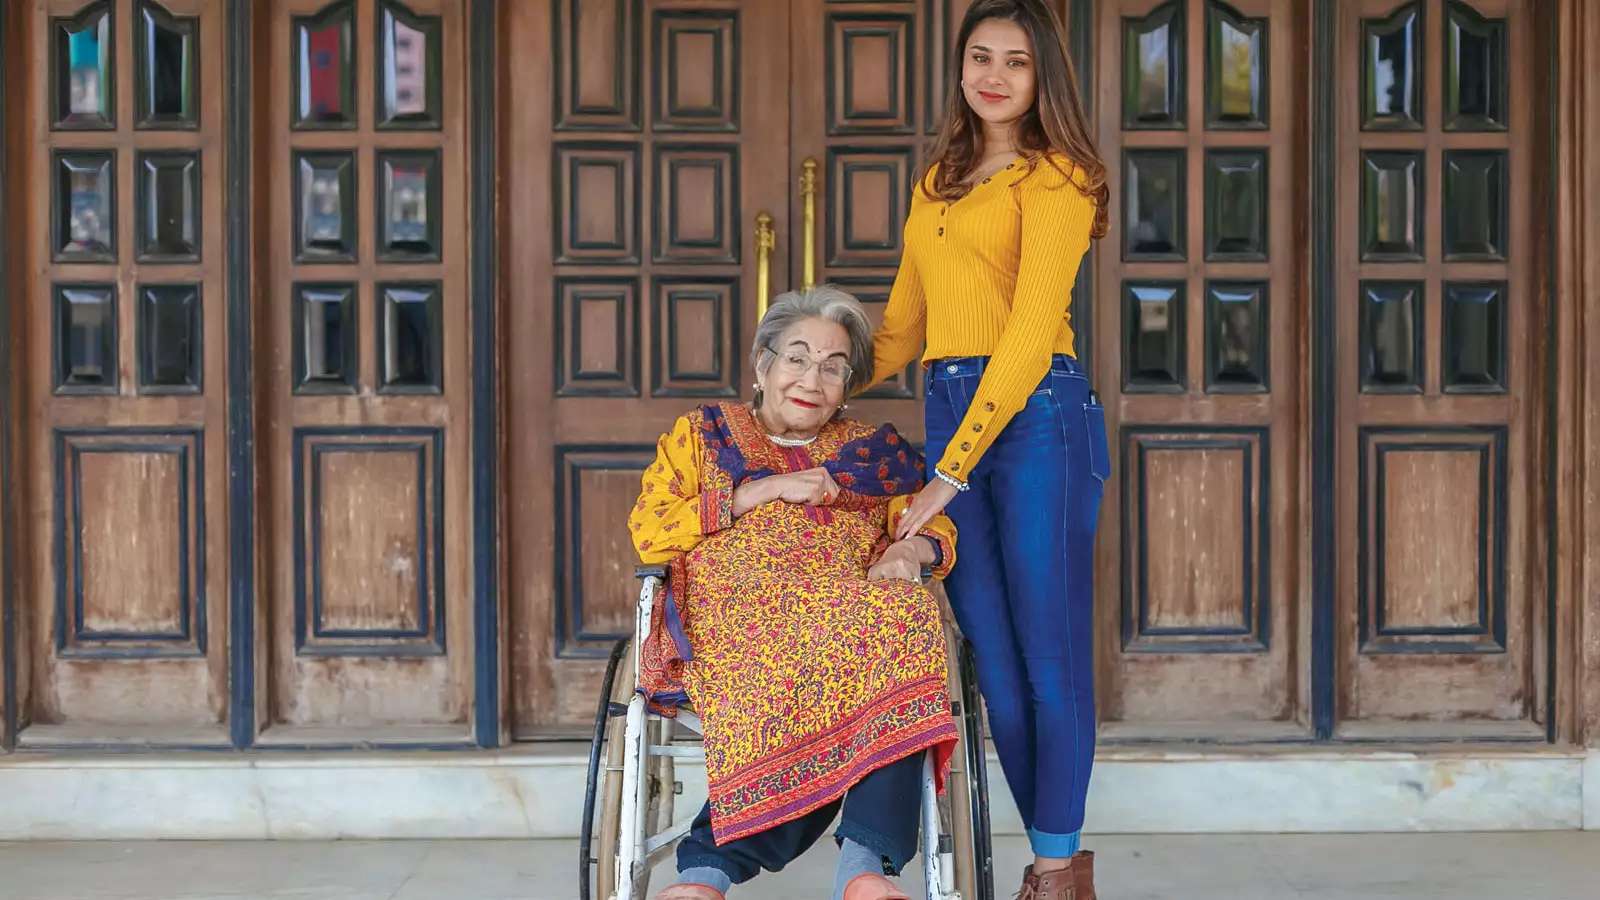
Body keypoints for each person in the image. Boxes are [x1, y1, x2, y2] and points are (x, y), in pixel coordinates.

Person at [863, 1, 1111, 898]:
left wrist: (949, 471)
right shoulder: (938, 179)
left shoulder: (1061, 179)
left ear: (1043, 77)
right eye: (980, 57)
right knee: (995, 664)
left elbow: (1029, 337)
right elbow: (899, 331)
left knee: (1049, 655)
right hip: (953, 410)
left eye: (1015, 61)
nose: (994, 76)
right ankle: (1052, 866)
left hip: (1041, 417)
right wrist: (806, 378)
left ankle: (1054, 874)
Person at [632, 286, 961, 900]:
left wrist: (904, 550)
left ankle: (863, 871)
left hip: (850, 625)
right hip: (737, 622)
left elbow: (934, 528)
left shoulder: (872, 454)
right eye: (797, 358)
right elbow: (648, 530)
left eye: (834, 368)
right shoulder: (702, 435)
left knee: (904, 617)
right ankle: (706, 873)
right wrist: (755, 493)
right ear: (763, 364)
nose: (814, 379)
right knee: (864, 648)